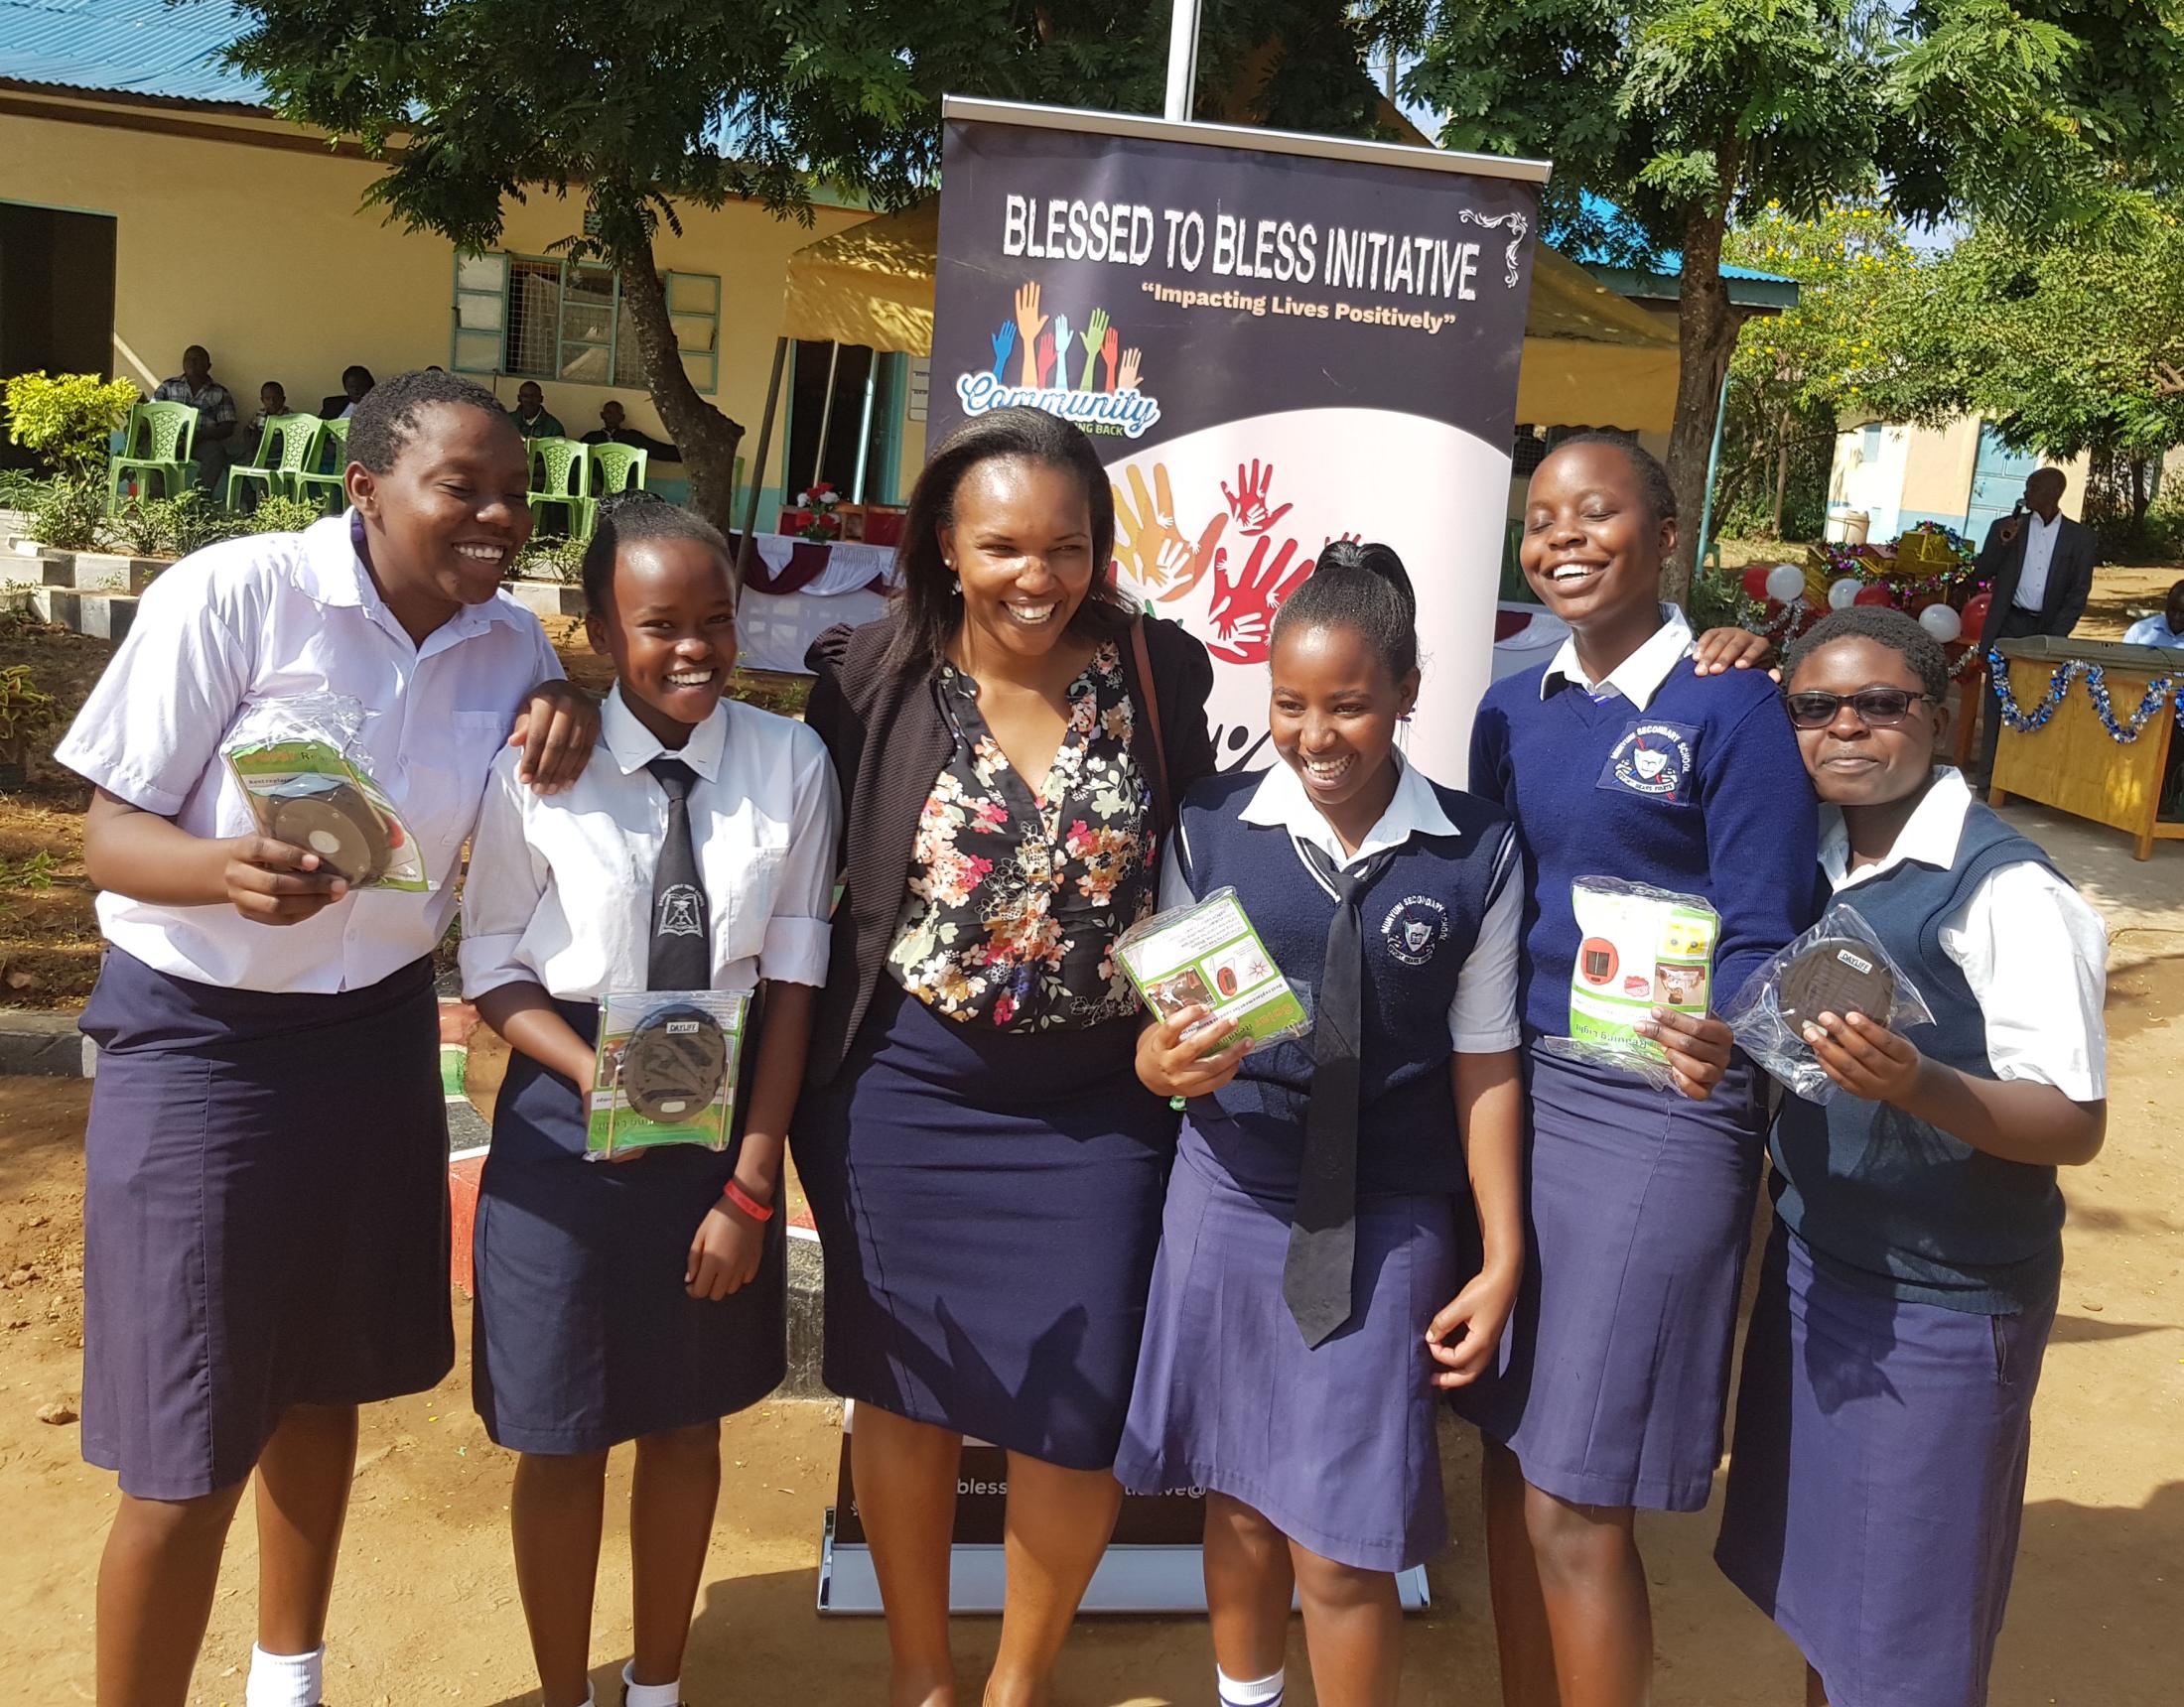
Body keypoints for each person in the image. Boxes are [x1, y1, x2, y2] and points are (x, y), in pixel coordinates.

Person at [53, 368, 599, 1707]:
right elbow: (106, 838)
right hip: (201, 1051)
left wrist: (572, 694)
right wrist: (220, 869)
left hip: (374, 1048)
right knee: (189, 1439)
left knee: (319, 1377)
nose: (498, 517)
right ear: (364, 488)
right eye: (461, 487)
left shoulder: (508, 647)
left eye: (517, 494)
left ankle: (284, 1681)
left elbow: (547, 764)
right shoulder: (237, 596)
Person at [794, 406, 1214, 1707]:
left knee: (1075, 1411)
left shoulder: (1159, 671)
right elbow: (811, 883)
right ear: (945, 545)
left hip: (1097, 1101)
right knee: (907, 1390)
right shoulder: (868, 674)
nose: (1039, 577)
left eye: (1068, 546)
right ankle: (924, 1674)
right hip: (909, 1092)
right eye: (1005, 547)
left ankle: (1016, 1684)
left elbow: (1196, 868)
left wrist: (1199, 1027)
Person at [1119, 542, 1526, 1707]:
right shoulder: (1208, 826)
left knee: (1345, 1546)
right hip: (1231, 1196)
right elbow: (1165, 1035)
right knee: (1238, 1500)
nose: (1314, 734)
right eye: (1288, 704)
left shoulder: (1477, 851)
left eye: (1347, 704)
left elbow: (1485, 1063)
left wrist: (1499, 1255)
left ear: (1405, 693)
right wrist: (1159, 1062)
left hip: (1387, 1218)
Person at [1454, 432, 1817, 1707]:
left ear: (1666, 533)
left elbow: (1768, 927)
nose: (1560, 537)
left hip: (1662, 1110)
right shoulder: (1512, 709)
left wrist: (1732, 1023)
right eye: (1540, 517)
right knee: (1508, 1460)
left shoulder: (1734, 706)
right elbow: (1491, 902)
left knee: (1572, 1495)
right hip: (1521, 1100)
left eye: (1595, 512)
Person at [460, 493, 839, 1707]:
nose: (693, 649)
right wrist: (591, 1075)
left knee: (686, 1422)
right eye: (658, 623)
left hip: (715, 1120)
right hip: (562, 1122)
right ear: (596, 629)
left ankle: (658, 1687)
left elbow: (791, 985)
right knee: (561, 1431)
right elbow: (493, 963)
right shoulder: (539, 767)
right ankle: (564, 1690)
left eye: (716, 620)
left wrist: (748, 1180)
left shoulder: (790, 764)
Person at [1714, 605, 2107, 1707]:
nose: (1847, 726)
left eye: (1880, 704)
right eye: (1815, 706)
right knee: (1830, 1611)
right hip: (1820, 1272)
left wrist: (1917, 1084)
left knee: (1907, 1644)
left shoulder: (2006, 892)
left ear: (1938, 717)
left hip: (1943, 1305)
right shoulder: (1828, 851)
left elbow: (2071, 1119)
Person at [1973, 468, 2098, 783]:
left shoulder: (2080, 538)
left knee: (2033, 704)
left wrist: (2054, 636)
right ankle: (1989, 779)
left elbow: (2078, 591)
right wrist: (2002, 544)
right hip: (2007, 623)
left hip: (2045, 629)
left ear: (2053, 492)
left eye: (2034, 487)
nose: (2027, 493)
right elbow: (1981, 573)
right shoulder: (2007, 528)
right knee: (1997, 702)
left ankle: (2020, 781)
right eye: (2027, 486)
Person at [151, 345, 238, 495]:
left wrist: (200, 436)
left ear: (208, 366)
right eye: (187, 359)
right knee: (149, 448)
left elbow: (228, 427)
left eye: (197, 360)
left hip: (202, 441)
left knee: (216, 452)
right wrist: (173, 436)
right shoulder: (168, 386)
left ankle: (198, 500)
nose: (191, 363)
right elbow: (153, 414)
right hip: (172, 440)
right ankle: (159, 500)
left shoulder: (219, 392)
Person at [582, 399, 683, 463]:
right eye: (609, 412)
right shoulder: (591, 438)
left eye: (616, 413)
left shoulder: (633, 437)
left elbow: (660, 450)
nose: (612, 416)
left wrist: (688, 454)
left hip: (626, 485)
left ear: (622, 417)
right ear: (602, 415)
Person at [2121, 578, 2184, 649]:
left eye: (2183, 612)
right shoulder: (2140, 631)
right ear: (2166, 605)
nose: (2177, 616)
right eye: (2173, 610)